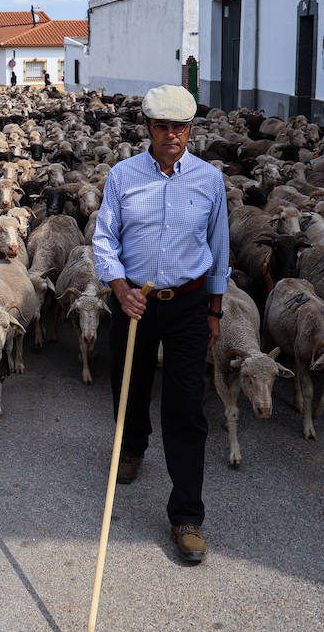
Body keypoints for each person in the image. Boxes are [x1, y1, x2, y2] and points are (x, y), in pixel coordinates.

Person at [91, 84, 229, 565]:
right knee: (128, 385)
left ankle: (187, 516)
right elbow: (104, 239)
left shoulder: (210, 180)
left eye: (180, 127)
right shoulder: (123, 176)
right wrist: (119, 289)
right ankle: (131, 446)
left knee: (187, 408)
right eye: (162, 126)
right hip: (135, 301)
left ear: (191, 130)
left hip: (188, 304)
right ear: (148, 127)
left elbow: (219, 247)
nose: (172, 135)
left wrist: (215, 310)